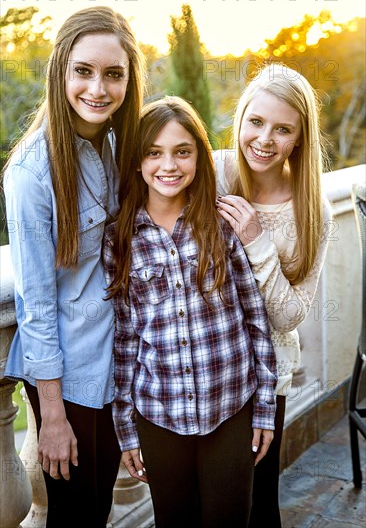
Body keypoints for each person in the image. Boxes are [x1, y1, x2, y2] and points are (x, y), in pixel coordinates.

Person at [103, 96, 277, 527]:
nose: (169, 165)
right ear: (138, 162)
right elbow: (124, 340)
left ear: (199, 155)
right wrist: (126, 428)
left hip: (231, 408)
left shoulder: (220, 225)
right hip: (159, 414)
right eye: (154, 152)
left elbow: (257, 319)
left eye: (182, 151)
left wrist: (265, 408)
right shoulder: (122, 238)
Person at [2, 6, 145, 527]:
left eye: (113, 74)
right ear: (60, 70)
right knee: (74, 516)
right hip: (71, 380)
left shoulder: (115, 145)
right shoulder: (31, 173)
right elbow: (35, 304)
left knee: (98, 508)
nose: (98, 88)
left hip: (118, 366)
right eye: (83, 71)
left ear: (131, 77)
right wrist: (53, 416)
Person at [213, 63, 333, 527]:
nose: (265, 139)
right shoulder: (216, 172)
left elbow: (288, 317)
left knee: (258, 503)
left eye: (283, 129)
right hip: (207, 366)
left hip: (266, 376)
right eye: (256, 122)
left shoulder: (310, 210)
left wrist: (256, 240)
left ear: (299, 138)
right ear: (241, 119)